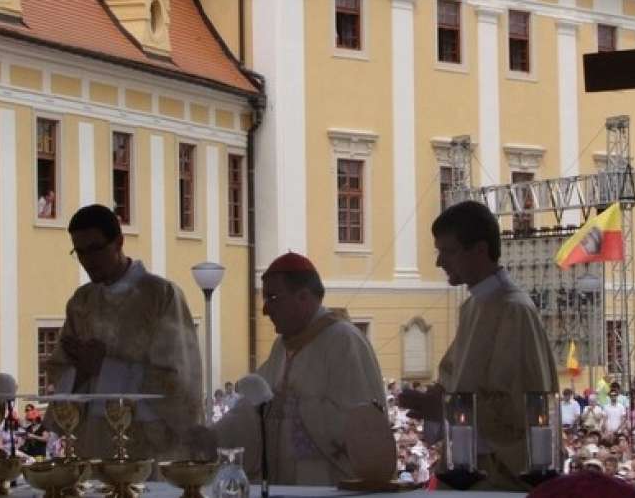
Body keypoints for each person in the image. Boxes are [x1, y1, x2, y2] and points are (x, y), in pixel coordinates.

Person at [399, 200, 558, 490]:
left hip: (498, 478)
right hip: (468, 471)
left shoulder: (514, 310)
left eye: (448, 251)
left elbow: (523, 410)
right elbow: (456, 385)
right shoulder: (473, 306)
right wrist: (433, 402)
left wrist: (446, 408)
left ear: (480, 250)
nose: (439, 262)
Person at [196, 251, 392, 485]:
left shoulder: (343, 340)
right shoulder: (283, 345)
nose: (265, 310)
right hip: (283, 482)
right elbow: (255, 411)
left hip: (329, 484)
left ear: (303, 297)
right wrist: (214, 436)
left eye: (272, 298)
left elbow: (362, 425)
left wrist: (296, 405)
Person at [46, 204, 203, 460]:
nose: (88, 260)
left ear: (119, 242)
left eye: (96, 249)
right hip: (93, 442)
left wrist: (104, 367)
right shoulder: (81, 302)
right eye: (80, 251)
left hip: (148, 444)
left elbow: (180, 382)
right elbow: (60, 368)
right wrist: (81, 373)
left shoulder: (160, 296)